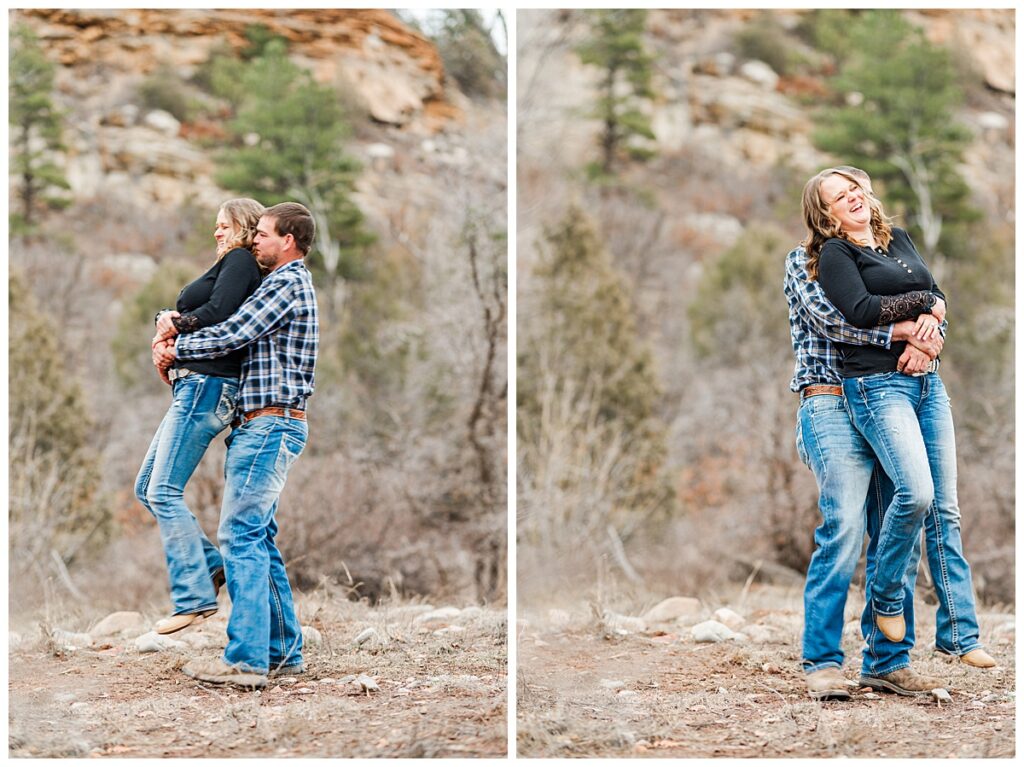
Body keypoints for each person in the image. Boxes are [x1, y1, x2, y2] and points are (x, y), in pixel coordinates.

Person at [799, 168, 994, 686]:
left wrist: (932, 326)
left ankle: (893, 659)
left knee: (916, 512)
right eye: (839, 196)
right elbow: (850, 317)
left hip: (917, 383)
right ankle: (822, 663)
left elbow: (935, 296)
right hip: (847, 394)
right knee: (851, 525)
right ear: (826, 214)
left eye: (855, 188)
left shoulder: (897, 239)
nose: (853, 198)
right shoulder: (816, 259)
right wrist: (920, 317)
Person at [153, 202, 319, 689]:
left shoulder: (287, 283)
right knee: (259, 539)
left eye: (264, 235)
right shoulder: (282, 283)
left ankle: (245, 661)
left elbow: (233, 333)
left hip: (270, 423)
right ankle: (284, 653)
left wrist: (176, 346)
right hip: (266, 423)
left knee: (241, 536)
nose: (256, 242)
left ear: (287, 240)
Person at [135, 198, 264, 635]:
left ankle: (193, 599)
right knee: (146, 488)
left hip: (208, 387)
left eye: (223, 225)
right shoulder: (232, 263)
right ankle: (210, 568)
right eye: (215, 226)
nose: (217, 232)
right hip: (194, 387)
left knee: (164, 490)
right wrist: (165, 319)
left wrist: (173, 326)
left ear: (244, 227)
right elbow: (196, 313)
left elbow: (219, 314)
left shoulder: (241, 261)